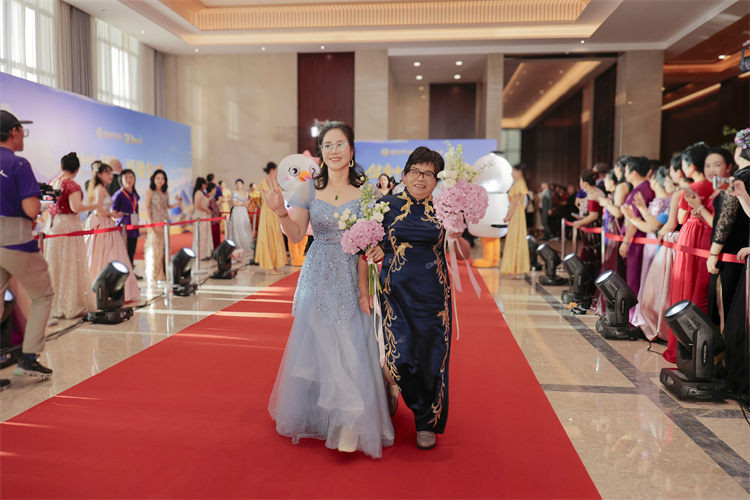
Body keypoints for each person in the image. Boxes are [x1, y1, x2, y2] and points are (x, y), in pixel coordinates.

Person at [267, 121, 394, 458]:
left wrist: (370, 274)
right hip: (318, 272)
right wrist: (280, 212)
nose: (334, 151)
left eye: (340, 144)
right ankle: (329, 416)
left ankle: (352, 420)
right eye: (327, 145)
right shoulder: (309, 189)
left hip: (354, 274)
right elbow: (296, 235)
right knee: (321, 346)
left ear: (351, 150)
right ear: (320, 153)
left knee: (352, 346)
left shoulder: (368, 192)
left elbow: (374, 242)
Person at [375, 146, 470, 450]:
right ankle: (393, 384)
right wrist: (372, 251)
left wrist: (457, 233)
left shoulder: (444, 209)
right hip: (394, 293)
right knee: (398, 356)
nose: (421, 177)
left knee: (431, 357)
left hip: (433, 296)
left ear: (436, 180)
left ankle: (425, 421)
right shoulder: (384, 207)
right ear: (404, 175)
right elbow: (365, 245)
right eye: (415, 171)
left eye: (429, 173)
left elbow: (461, 251)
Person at [0, 110, 55, 384]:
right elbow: (31, 208)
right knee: (43, 296)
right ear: (14, 131)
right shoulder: (18, 164)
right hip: (15, 241)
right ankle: (29, 358)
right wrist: (40, 203)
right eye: (22, 130)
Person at [662, 142, 713, 363]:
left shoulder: (693, 188)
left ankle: (681, 344)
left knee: (685, 285)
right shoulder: (712, 186)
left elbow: (681, 218)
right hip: (706, 234)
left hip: (692, 234)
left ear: (691, 165)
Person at [622, 165, 674, 338]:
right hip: (650, 244)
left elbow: (653, 226)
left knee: (653, 285)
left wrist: (633, 217)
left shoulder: (663, 201)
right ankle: (645, 318)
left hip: (654, 245)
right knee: (647, 283)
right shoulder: (658, 200)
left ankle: (650, 321)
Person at [45, 153, 98, 319]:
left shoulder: (52, 183)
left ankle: (54, 305)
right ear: (76, 169)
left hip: (54, 225)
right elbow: (76, 207)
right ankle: (70, 304)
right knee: (70, 263)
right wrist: (93, 206)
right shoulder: (72, 185)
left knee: (55, 264)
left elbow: (47, 206)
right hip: (68, 225)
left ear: (62, 167)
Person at [83, 163, 140, 302]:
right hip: (102, 223)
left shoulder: (103, 188)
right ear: (99, 175)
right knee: (104, 255)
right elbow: (98, 209)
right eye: (107, 173)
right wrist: (112, 214)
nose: (110, 176)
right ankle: (103, 288)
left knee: (111, 254)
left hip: (106, 222)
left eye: (110, 173)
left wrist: (111, 214)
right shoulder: (100, 189)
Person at [618, 156, 655, 301]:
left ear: (633, 173)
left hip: (636, 238)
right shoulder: (643, 188)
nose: (624, 174)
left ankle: (632, 310)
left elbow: (633, 219)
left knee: (633, 277)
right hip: (638, 237)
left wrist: (626, 242)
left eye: (626, 170)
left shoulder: (640, 191)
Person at [144, 170, 181, 282]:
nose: (160, 181)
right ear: (154, 179)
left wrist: (177, 203)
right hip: (155, 224)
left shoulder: (166, 192)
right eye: (158, 178)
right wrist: (150, 224)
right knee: (156, 250)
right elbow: (147, 208)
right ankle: (156, 275)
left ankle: (164, 274)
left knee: (165, 249)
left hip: (165, 224)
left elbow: (166, 206)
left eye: (162, 178)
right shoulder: (150, 192)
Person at [257, 162, 287, 274]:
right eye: (277, 170)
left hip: (275, 212)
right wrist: (275, 207)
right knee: (268, 237)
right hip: (268, 212)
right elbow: (267, 199)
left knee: (276, 236)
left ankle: (275, 265)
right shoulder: (265, 181)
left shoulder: (275, 181)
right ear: (272, 170)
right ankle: (270, 267)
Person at [574, 170, 604, 282]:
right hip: (597, 226)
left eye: (580, 182)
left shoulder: (592, 195)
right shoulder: (597, 191)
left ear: (585, 183)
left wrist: (579, 223)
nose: (580, 184)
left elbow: (593, 216)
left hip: (593, 228)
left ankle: (590, 282)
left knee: (592, 255)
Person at [501, 164, 531, 278]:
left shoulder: (520, 184)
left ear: (519, 172)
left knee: (516, 239)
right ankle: (514, 269)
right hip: (516, 214)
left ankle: (517, 270)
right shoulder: (519, 184)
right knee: (515, 239)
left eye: (513, 171)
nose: (512, 173)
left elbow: (516, 203)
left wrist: (508, 216)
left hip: (517, 215)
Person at [111, 169, 142, 277]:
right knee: (123, 253)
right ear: (121, 180)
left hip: (133, 229)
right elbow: (112, 213)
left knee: (131, 253)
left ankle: (131, 274)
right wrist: (117, 215)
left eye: (131, 177)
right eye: (126, 177)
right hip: (123, 230)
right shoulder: (118, 195)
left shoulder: (134, 195)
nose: (129, 180)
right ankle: (123, 276)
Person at [227, 178, 255, 259]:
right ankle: (238, 245)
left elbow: (247, 203)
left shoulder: (246, 193)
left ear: (242, 185)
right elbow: (234, 203)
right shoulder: (234, 193)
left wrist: (247, 204)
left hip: (244, 211)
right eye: (237, 184)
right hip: (237, 211)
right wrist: (242, 204)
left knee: (245, 227)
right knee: (239, 227)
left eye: (240, 183)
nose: (238, 185)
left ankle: (247, 245)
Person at [192, 177, 214, 260]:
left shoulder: (201, 192)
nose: (206, 186)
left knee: (204, 235)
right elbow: (197, 205)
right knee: (201, 235)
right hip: (200, 216)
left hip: (203, 216)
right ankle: (200, 254)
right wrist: (207, 210)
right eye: (205, 184)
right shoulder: (199, 193)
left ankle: (204, 253)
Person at [206, 182, 222, 249]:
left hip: (216, 219)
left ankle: (217, 248)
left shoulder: (213, 198)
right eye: (215, 188)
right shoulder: (207, 198)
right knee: (212, 235)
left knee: (216, 235)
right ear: (212, 189)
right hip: (211, 220)